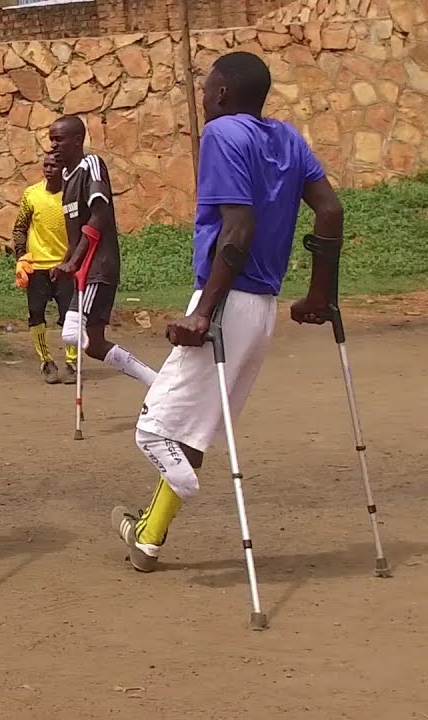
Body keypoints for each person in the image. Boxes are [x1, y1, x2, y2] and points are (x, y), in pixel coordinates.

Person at [112, 51, 345, 572]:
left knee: (154, 430)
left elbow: (238, 229)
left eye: (205, 88)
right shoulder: (287, 138)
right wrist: (318, 296)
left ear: (221, 93)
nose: (201, 97)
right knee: (195, 429)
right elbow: (330, 210)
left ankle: (181, 488)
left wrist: (203, 312)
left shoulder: (221, 135)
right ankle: (149, 537)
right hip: (261, 310)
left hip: (225, 301)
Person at [49, 115, 156, 387]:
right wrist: (65, 263)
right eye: (51, 140)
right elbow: (75, 233)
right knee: (94, 345)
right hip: (83, 268)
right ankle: (157, 382)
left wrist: (74, 262)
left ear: (77, 140)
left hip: (98, 266)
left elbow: (100, 216)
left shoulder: (91, 165)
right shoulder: (67, 176)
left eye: (59, 139)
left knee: (72, 332)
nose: (53, 145)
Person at [13, 153, 77, 384]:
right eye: (46, 165)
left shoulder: (71, 196)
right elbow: (20, 228)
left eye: (54, 165)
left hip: (65, 267)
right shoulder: (31, 194)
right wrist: (21, 258)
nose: (49, 169)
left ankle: (72, 363)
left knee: (70, 316)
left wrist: (72, 261)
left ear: (63, 169)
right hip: (37, 267)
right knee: (36, 314)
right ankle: (46, 361)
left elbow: (79, 230)